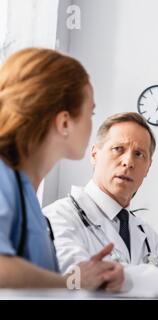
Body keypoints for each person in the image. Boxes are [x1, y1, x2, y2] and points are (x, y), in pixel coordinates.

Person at [0, 48, 124, 291]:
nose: (92, 123)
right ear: (65, 122)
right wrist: (72, 282)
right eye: (91, 112)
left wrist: (86, 277)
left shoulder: (26, 193)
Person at [43, 112, 158, 294]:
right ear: (95, 154)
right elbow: (74, 277)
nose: (128, 162)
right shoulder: (58, 217)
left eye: (139, 154)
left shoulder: (147, 235)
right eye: (118, 149)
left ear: (148, 167)